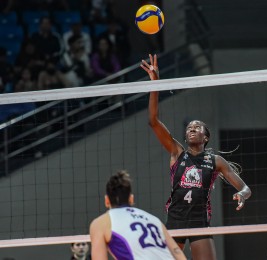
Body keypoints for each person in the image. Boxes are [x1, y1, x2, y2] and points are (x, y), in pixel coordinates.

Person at [141, 54, 252, 260]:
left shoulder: (215, 160)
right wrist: (155, 84)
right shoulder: (177, 152)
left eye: (197, 126)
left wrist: (242, 194)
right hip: (175, 220)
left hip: (199, 222)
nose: (192, 128)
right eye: (189, 127)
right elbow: (153, 121)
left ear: (206, 136)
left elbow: (245, 188)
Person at [89, 170, 186, 260]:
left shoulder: (101, 223)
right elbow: (176, 252)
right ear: (131, 199)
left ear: (106, 201)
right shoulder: (154, 220)